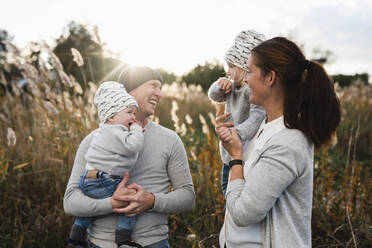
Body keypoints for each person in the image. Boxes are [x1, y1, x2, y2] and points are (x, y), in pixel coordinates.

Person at [216, 37, 341, 247]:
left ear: (270, 77)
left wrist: (237, 159)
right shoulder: (264, 126)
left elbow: (244, 213)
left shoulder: (289, 141)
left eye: (250, 71)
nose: (245, 80)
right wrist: (228, 133)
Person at [64, 66, 195, 248]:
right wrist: (112, 203)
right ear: (130, 91)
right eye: (154, 85)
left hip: (152, 243)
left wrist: (151, 201)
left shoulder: (170, 140)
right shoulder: (93, 140)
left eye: (160, 88)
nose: (160, 94)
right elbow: (70, 202)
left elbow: (188, 197)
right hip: (99, 244)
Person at [68, 81, 144, 248]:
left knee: (90, 208)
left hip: (88, 179)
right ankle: (123, 239)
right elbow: (134, 146)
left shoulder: (103, 131)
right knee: (130, 198)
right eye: (129, 113)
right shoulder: (116, 131)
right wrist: (137, 130)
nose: (134, 117)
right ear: (111, 116)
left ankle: (76, 238)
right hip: (104, 180)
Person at [208, 30, 266, 198]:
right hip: (228, 155)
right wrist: (219, 85)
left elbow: (257, 117)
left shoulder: (251, 90)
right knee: (228, 197)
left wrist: (236, 134)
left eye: (232, 67)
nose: (228, 71)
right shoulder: (231, 85)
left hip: (243, 153)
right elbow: (214, 96)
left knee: (236, 197)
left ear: (245, 67)